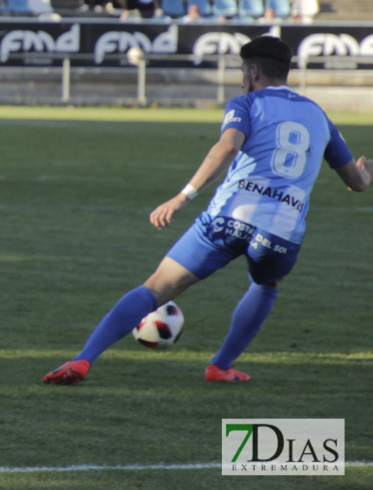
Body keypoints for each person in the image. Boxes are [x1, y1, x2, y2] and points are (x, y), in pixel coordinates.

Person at [44, 36, 371, 386]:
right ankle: (221, 366)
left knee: (156, 288)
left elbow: (228, 146)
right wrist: (366, 169)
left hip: (228, 219)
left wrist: (183, 196)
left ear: (254, 71)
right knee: (266, 285)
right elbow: (357, 182)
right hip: (281, 233)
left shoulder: (246, 103)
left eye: (243, 71)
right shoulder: (319, 116)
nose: (241, 78)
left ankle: (82, 361)